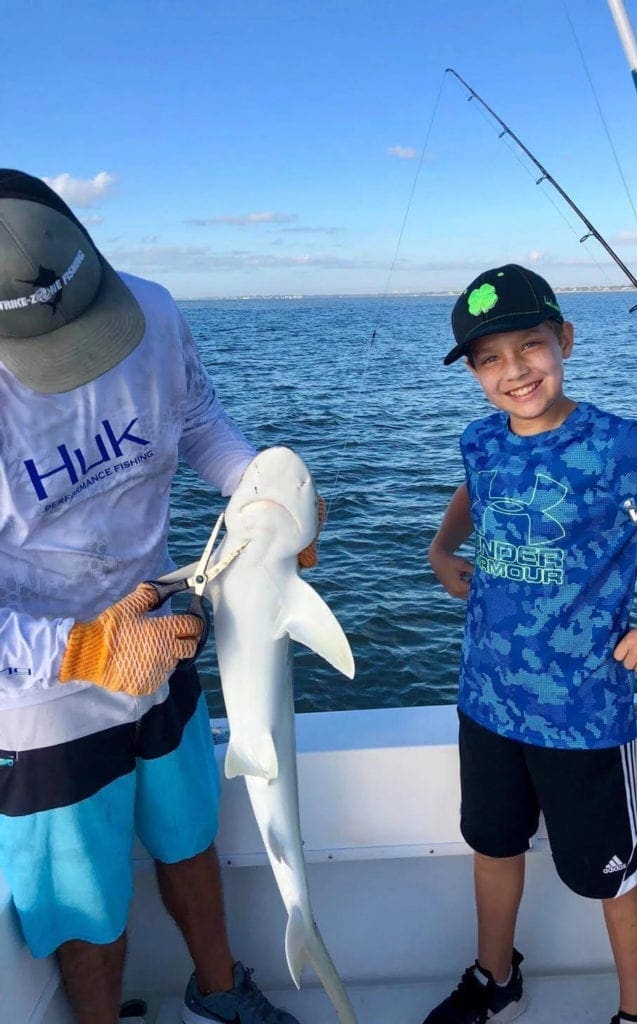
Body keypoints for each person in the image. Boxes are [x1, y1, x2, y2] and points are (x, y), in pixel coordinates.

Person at [0, 169, 308, 1024]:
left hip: (162, 631)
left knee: (190, 837)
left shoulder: (153, 309)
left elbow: (198, 417)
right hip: (42, 696)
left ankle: (218, 994)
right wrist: (83, 648)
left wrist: (266, 497)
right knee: (88, 906)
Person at [424, 263, 637, 1024]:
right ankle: (495, 977)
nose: (514, 371)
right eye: (489, 358)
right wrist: (443, 547)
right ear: (475, 372)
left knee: (612, 876)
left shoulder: (619, 447)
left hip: (580, 715)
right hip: (484, 699)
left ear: (565, 340)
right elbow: (471, 491)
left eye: (530, 346)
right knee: (492, 844)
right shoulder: (482, 440)